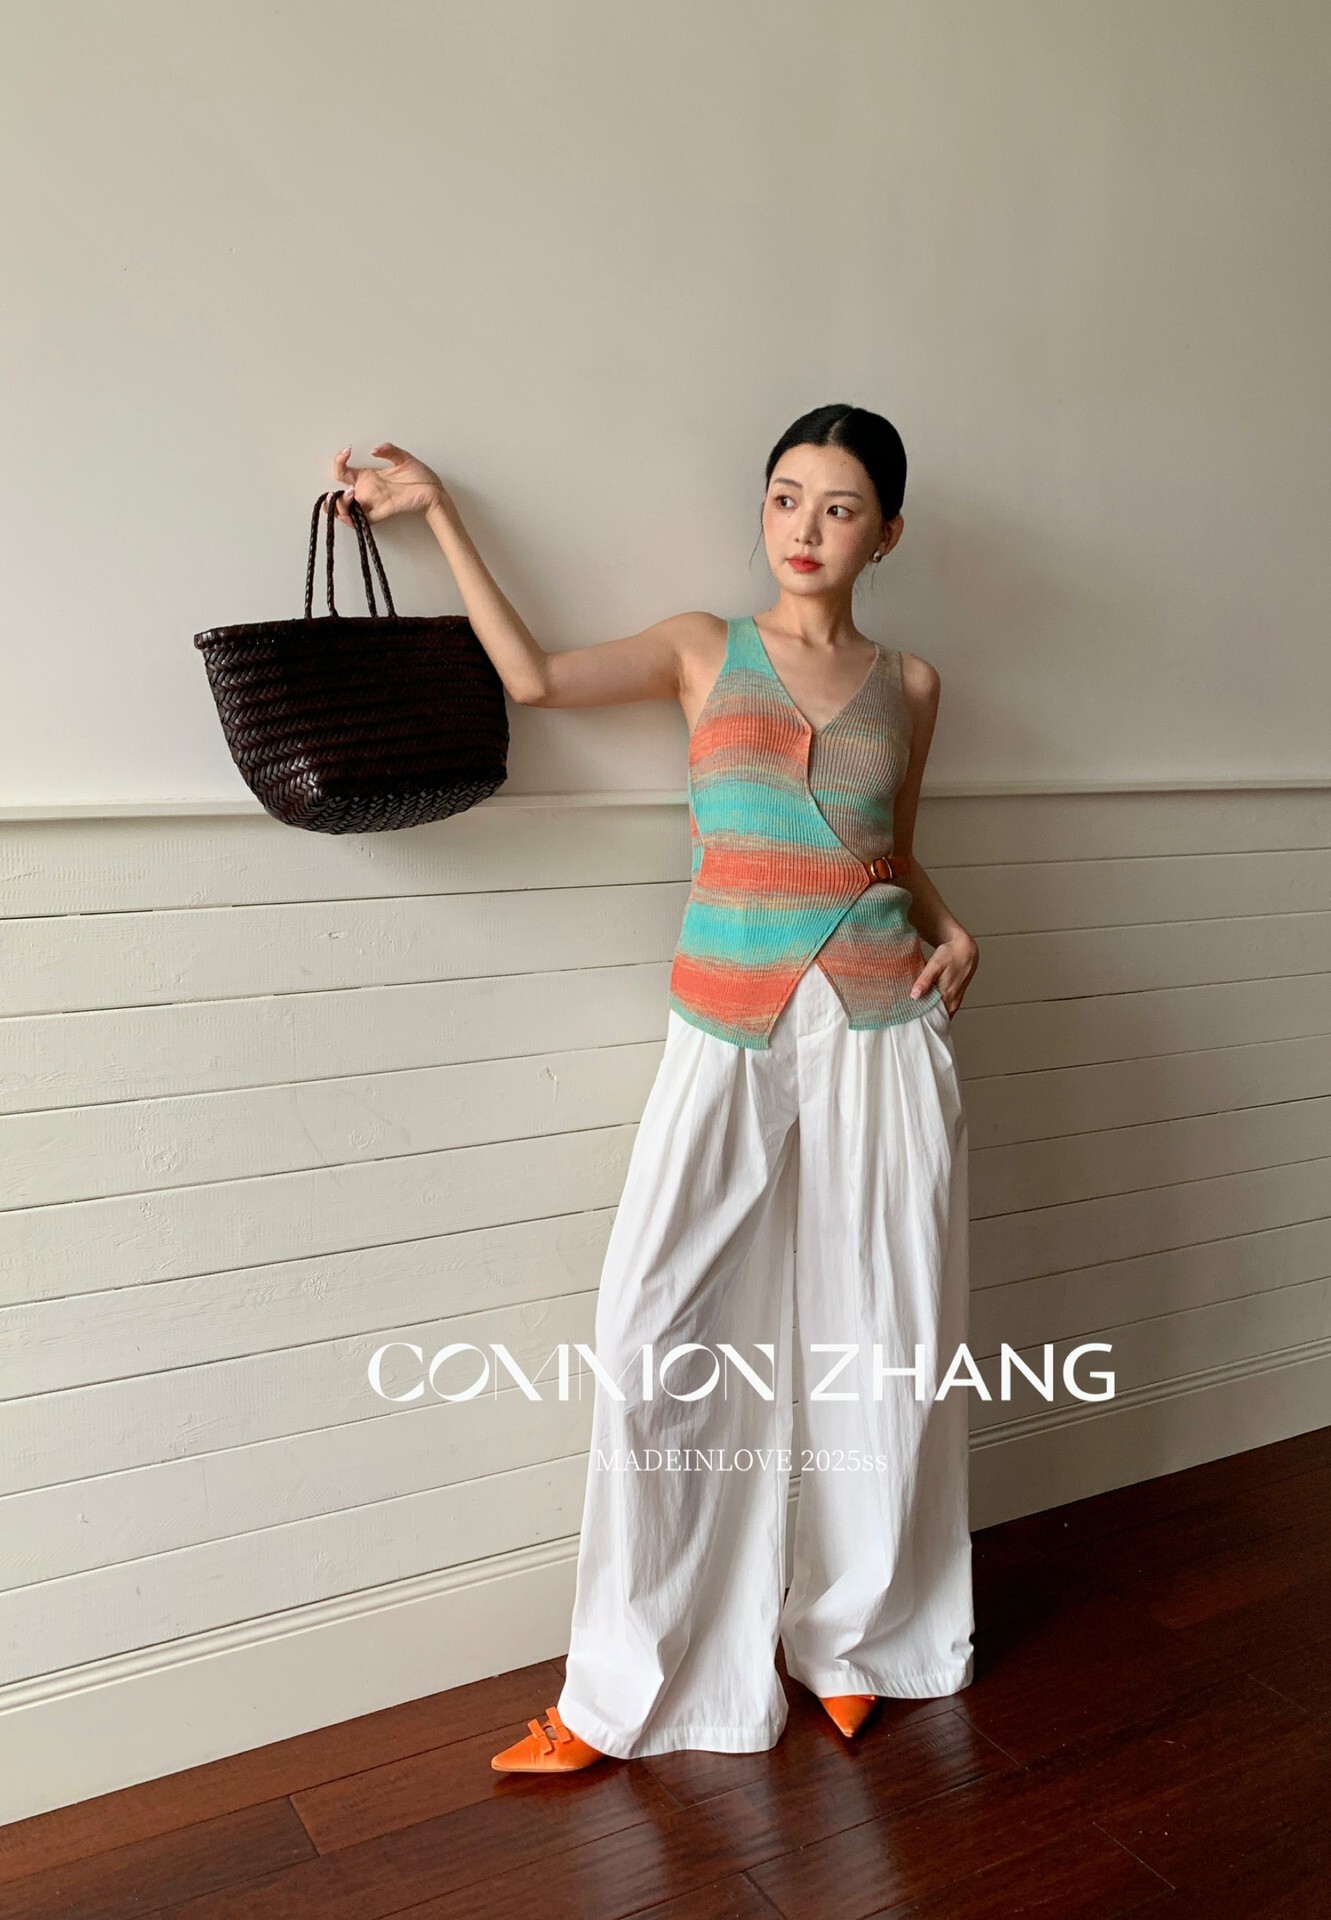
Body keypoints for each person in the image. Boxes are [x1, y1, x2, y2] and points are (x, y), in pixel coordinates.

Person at [329, 404, 980, 1773]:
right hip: (726, 1024)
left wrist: (954, 926)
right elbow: (534, 681)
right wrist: (442, 513)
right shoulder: (702, 649)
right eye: (787, 497)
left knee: (886, 1330)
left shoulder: (911, 685)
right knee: (654, 1331)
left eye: (840, 506)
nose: (806, 527)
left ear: (886, 534)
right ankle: (629, 1688)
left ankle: (860, 1641)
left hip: (881, 1019)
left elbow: (890, 848)